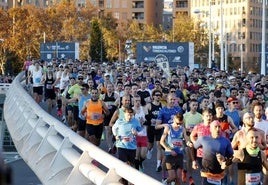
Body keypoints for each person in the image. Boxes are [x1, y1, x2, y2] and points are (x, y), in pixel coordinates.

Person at [194, 120, 234, 185]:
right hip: (207, 173)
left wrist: (224, 159)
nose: (218, 129)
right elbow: (194, 147)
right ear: (211, 129)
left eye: (219, 127)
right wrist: (194, 161)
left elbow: (231, 156)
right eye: (215, 127)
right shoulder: (203, 139)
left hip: (220, 174)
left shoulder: (226, 141)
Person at [112, 107, 142, 185]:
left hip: (132, 147)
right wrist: (115, 135)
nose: (130, 117)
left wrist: (136, 133)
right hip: (122, 146)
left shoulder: (135, 122)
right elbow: (113, 128)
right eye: (128, 115)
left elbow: (140, 131)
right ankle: (125, 180)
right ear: (124, 114)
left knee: (130, 165)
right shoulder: (119, 121)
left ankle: (126, 180)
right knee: (124, 164)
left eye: (131, 115)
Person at [160, 113, 187, 185]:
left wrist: (189, 143)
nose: (179, 125)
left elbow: (187, 140)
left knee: (178, 178)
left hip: (179, 155)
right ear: (174, 119)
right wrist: (170, 150)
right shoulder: (168, 128)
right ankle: (164, 183)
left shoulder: (182, 129)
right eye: (177, 123)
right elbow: (161, 141)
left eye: (180, 123)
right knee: (172, 177)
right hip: (170, 155)